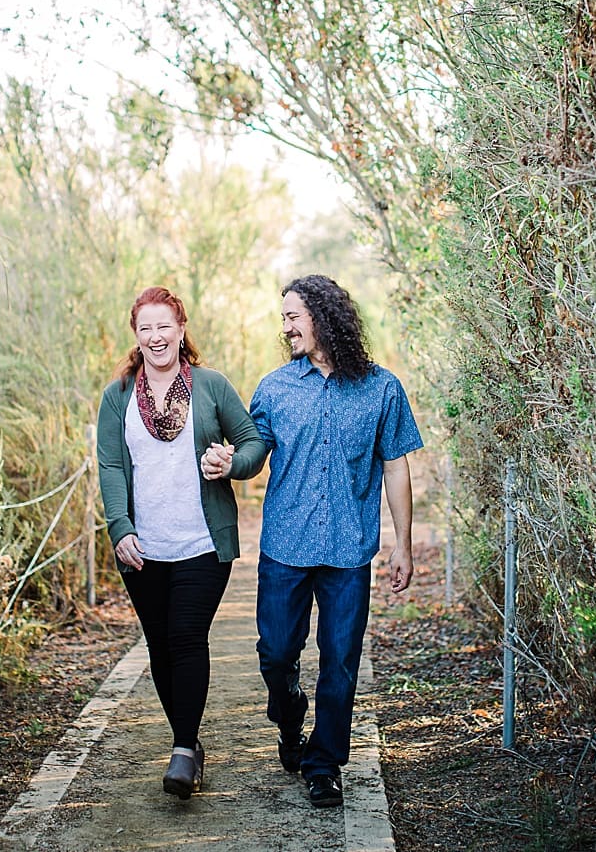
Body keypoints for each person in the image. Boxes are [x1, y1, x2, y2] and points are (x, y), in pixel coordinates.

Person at [220, 273, 422, 809]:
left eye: (293, 316)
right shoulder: (275, 388)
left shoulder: (382, 389)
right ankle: (289, 719)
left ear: (324, 315)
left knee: (341, 662)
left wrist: (402, 544)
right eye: (283, 317)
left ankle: (324, 762)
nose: (285, 327)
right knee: (275, 653)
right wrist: (227, 463)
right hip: (284, 547)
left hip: (349, 552)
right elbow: (252, 454)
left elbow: (397, 468)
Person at [96, 286, 266, 800]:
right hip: (142, 549)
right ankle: (187, 744)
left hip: (200, 541)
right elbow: (108, 465)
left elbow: (254, 443)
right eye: (145, 328)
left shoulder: (211, 386)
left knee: (186, 637)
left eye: (163, 326)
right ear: (136, 335)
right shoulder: (118, 396)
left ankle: (185, 749)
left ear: (182, 328)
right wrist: (120, 528)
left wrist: (230, 464)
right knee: (160, 647)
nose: (155, 337)